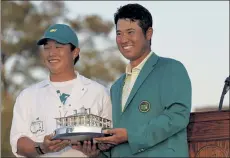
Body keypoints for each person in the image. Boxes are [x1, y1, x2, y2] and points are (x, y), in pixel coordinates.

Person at [93, 3, 192, 157]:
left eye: (130, 32)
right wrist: (95, 151)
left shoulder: (171, 69)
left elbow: (177, 116)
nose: (123, 39)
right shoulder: (116, 86)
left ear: (149, 33)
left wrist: (130, 136)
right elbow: (113, 140)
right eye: (119, 33)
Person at [10, 24, 112, 157]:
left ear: (75, 52)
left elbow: (111, 139)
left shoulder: (99, 93)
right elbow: (18, 142)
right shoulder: (27, 96)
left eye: (58, 47)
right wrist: (42, 147)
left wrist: (95, 152)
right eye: (47, 48)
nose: (51, 53)